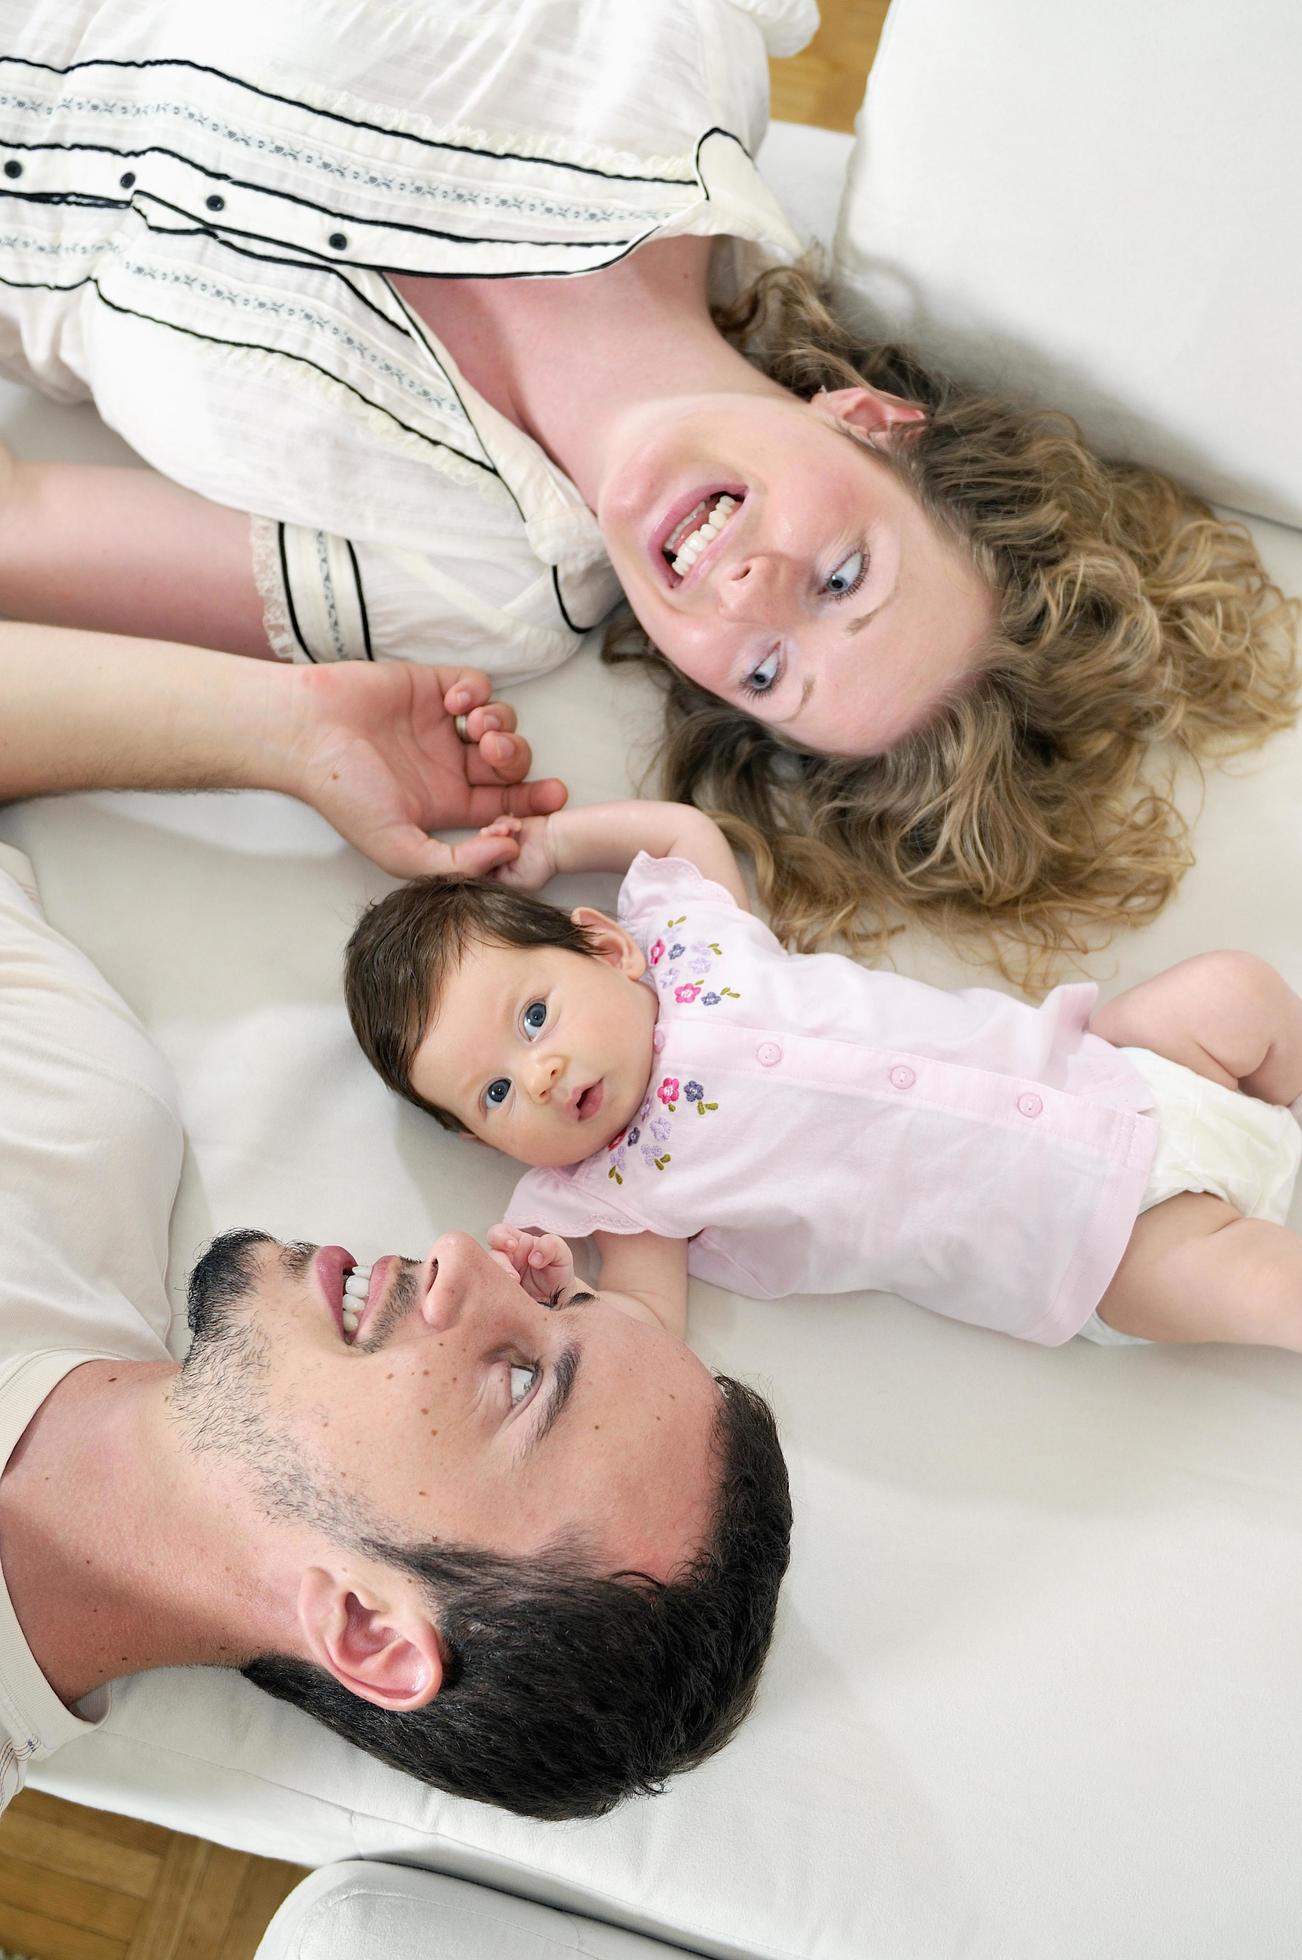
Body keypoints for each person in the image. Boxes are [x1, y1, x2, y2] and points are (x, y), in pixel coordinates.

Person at [0, 0, 1294, 982]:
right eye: (843, 575)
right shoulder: (672, 48)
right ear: (868, 424)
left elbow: (25, 531)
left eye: (766, 674)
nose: (745, 597)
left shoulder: (462, 588)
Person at [0, 621, 793, 1823]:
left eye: (520, 1383)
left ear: (368, 1625)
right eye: (557, 1292)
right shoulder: (81, 1110)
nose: (465, 1259)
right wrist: (287, 728)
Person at [344, 799, 1302, 1351]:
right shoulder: (624, 1193)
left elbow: (681, 833)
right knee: (1266, 1286)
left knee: (1237, 991)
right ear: (481, 1141)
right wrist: (563, 1298)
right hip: (1090, 1242)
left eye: (535, 1017)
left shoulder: (689, 942)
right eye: (497, 1094)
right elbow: (646, 1332)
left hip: (1113, 1067)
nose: (541, 1073)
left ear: (604, 947)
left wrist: (558, 842)